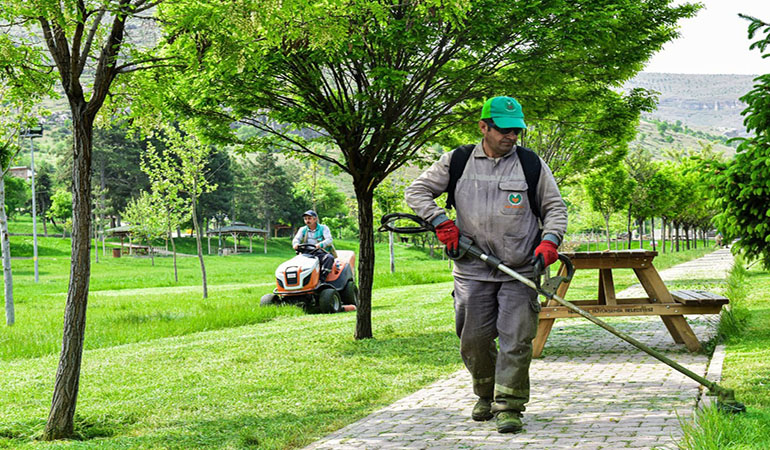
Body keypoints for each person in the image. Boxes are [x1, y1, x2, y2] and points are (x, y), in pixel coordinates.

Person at [405, 96, 567, 433]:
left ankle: (509, 405)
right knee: (473, 340)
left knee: (516, 339)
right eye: (504, 131)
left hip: (519, 269)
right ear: (484, 127)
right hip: (472, 269)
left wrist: (550, 240)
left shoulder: (530, 164)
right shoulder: (458, 161)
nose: (512, 137)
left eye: (517, 131)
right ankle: (486, 392)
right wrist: (441, 222)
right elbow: (416, 191)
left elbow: (555, 207)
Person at [292, 210, 335, 281]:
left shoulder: (323, 228)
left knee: (329, 258)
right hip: (306, 253)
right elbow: (296, 238)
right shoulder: (302, 229)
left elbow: (329, 240)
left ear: (315, 219)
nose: (307, 221)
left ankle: (322, 278)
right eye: (305, 219)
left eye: (309, 218)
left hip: (320, 251)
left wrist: (321, 244)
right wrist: (295, 244)